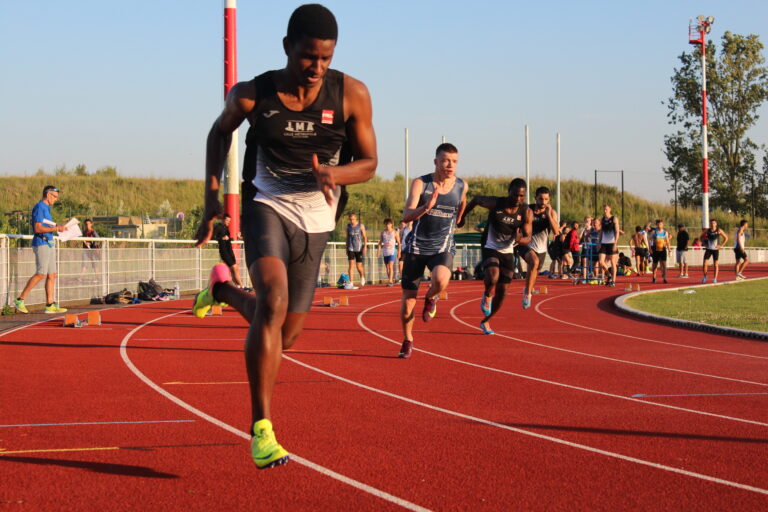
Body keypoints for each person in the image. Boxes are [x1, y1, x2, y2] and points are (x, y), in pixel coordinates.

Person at [192, 4, 377, 469]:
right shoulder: (252, 94)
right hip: (267, 204)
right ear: (287, 48)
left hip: (317, 217)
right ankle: (262, 429)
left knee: (286, 334)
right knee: (273, 302)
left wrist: (335, 173)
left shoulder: (352, 94)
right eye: (308, 57)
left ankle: (222, 290)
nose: (317, 67)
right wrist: (212, 198)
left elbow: (370, 163)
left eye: (326, 58)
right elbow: (218, 134)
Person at [397, 143, 467, 358]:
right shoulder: (421, 183)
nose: (450, 165)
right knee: (408, 303)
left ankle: (431, 297)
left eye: (454, 161)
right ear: (436, 162)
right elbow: (406, 216)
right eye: (445, 161)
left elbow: (463, 201)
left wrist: (459, 218)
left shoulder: (461, 185)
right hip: (416, 248)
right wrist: (426, 207)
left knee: (441, 280)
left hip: (442, 246)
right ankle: (408, 339)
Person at [458, 178, 533, 335]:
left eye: (521, 196)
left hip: (508, 251)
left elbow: (528, 237)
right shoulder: (496, 203)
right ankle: (487, 294)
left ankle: (486, 321)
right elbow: (476, 199)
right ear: (509, 192)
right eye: (515, 195)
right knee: (493, 276)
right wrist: (462, 217)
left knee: (503, 292)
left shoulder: (526, 212)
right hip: (490, 245)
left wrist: (520, 240)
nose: (517, 199)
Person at [14, 185, 68, 314]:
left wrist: (59, 228)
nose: (55, 199)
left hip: (49, 242)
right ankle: (20, 299)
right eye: (54, 197)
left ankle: (50, 304)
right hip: (41, 242)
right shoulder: (40, 207)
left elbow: (47, 225)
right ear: (48, 195)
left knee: (52, 274)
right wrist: (56, 228)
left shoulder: (47, 208)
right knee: (41, 273)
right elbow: (37, 228)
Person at [528, 186, 560, 275]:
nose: (543, 202)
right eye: (541, 199)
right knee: (533, 263)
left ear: (549, 199)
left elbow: (556, 231)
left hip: (541, 247)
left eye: (546, 199)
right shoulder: (528, 209)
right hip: (527, 244)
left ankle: (529, 284)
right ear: (535, 198)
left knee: (535, 272)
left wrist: (548, 215)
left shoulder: (552, 212)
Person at [213, 214, 244, 288]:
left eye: (229, 221)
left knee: (235, 269)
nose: (228, 222)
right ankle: (242, 286)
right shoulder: (218, 227)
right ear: (223, 219)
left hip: (229, 250)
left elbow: (228, 238)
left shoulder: (226, 228)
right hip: (224, 251)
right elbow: (213, 237)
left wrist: (232, 238)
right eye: (227, 220)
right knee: (234, 268)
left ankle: (237, 286)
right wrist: (222, 238)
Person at [597, 203, 622, 286]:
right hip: (604, 243)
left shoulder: (614, 218)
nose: (605, 211)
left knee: (612, 262)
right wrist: (599, 242)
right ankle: (609, 275)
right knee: (601, 261)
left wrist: (615, 243)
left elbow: (617, 231)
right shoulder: (602, 219)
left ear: (610, 209)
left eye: (606, 209)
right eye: (604, 209)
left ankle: (613, 281)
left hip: (612, 243)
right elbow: (601, 231)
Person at [701, 219, 728, 283]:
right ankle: (705, 276)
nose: (712, 224)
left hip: (715, 250)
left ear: (716, 224)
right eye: (711, 223)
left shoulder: (719, 230)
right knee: (705, 263)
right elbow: (701, 237)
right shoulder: (707, 230)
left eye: (713, 223)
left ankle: (715, 278)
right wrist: (704, 244)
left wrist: (721, 245)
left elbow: (726, 238)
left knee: (715, 264)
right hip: (708, 249)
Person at [345, 212, 367, 286]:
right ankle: (351, 282)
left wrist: (365, 246)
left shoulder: (361, 226)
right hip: (351, 248)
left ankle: (362, 276)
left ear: (356, 218)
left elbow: (365, 237)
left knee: (359, 266)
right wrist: (346, 248)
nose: (352, 221)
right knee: (351, 265)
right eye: (350, 219)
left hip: (359, 248)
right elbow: (347, 238)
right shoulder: (348, 226)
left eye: (353, 219)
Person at [378, 218, 400, 286]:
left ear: (391, 224)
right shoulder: (383, 232)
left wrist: (399, 252)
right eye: (386, 224)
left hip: (392, 251)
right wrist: (378, 251)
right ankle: (390, 280)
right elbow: (380, 242)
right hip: (385, 251)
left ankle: (390, 281)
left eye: (389, 224)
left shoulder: (395, 232)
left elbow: (399, 243)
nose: (387, 225)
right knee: (387, 267)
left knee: (390, 266)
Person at [649, 219, 671, 284]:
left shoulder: (665, 232)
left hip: (663, 249)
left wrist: (669, 250)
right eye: (658, 224)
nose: (659, 225)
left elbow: (667, 241)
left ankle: (664, 278)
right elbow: (650, 240)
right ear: (656, 225)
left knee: (664, 264)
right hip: (655, 249)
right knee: (655, 265)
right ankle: (654, 277)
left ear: (663, 225)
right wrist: (650, 249)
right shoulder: (654, 232)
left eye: (661, 224)